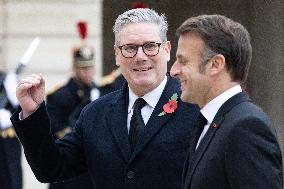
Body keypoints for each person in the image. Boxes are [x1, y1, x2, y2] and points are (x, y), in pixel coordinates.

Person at [11, 8, 200, 189]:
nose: (140, 57)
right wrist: (32, 112)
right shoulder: (95, 113)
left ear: (167, 50)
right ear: (117, 54)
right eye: (130, 48)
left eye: (150, 46)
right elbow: (51, 169)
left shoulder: (195, 106)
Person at [170, 14, 283, 189]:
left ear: (215, 64)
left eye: (183, 61)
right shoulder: (208, 122)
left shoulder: (246, 127)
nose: (174, 70)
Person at [46, 44, 101, 189]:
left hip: (94, 168)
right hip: (69, 165)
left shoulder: (101, 93)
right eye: (83, 68)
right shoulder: (59, 96)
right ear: (74, 68)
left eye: (90, 67)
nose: (88, 72)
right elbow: (55, 128)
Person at [0, 71, 22, 189]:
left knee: (11, 181)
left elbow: (22, 111)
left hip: (7, 141)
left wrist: (17, 95)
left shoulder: (7, 80)